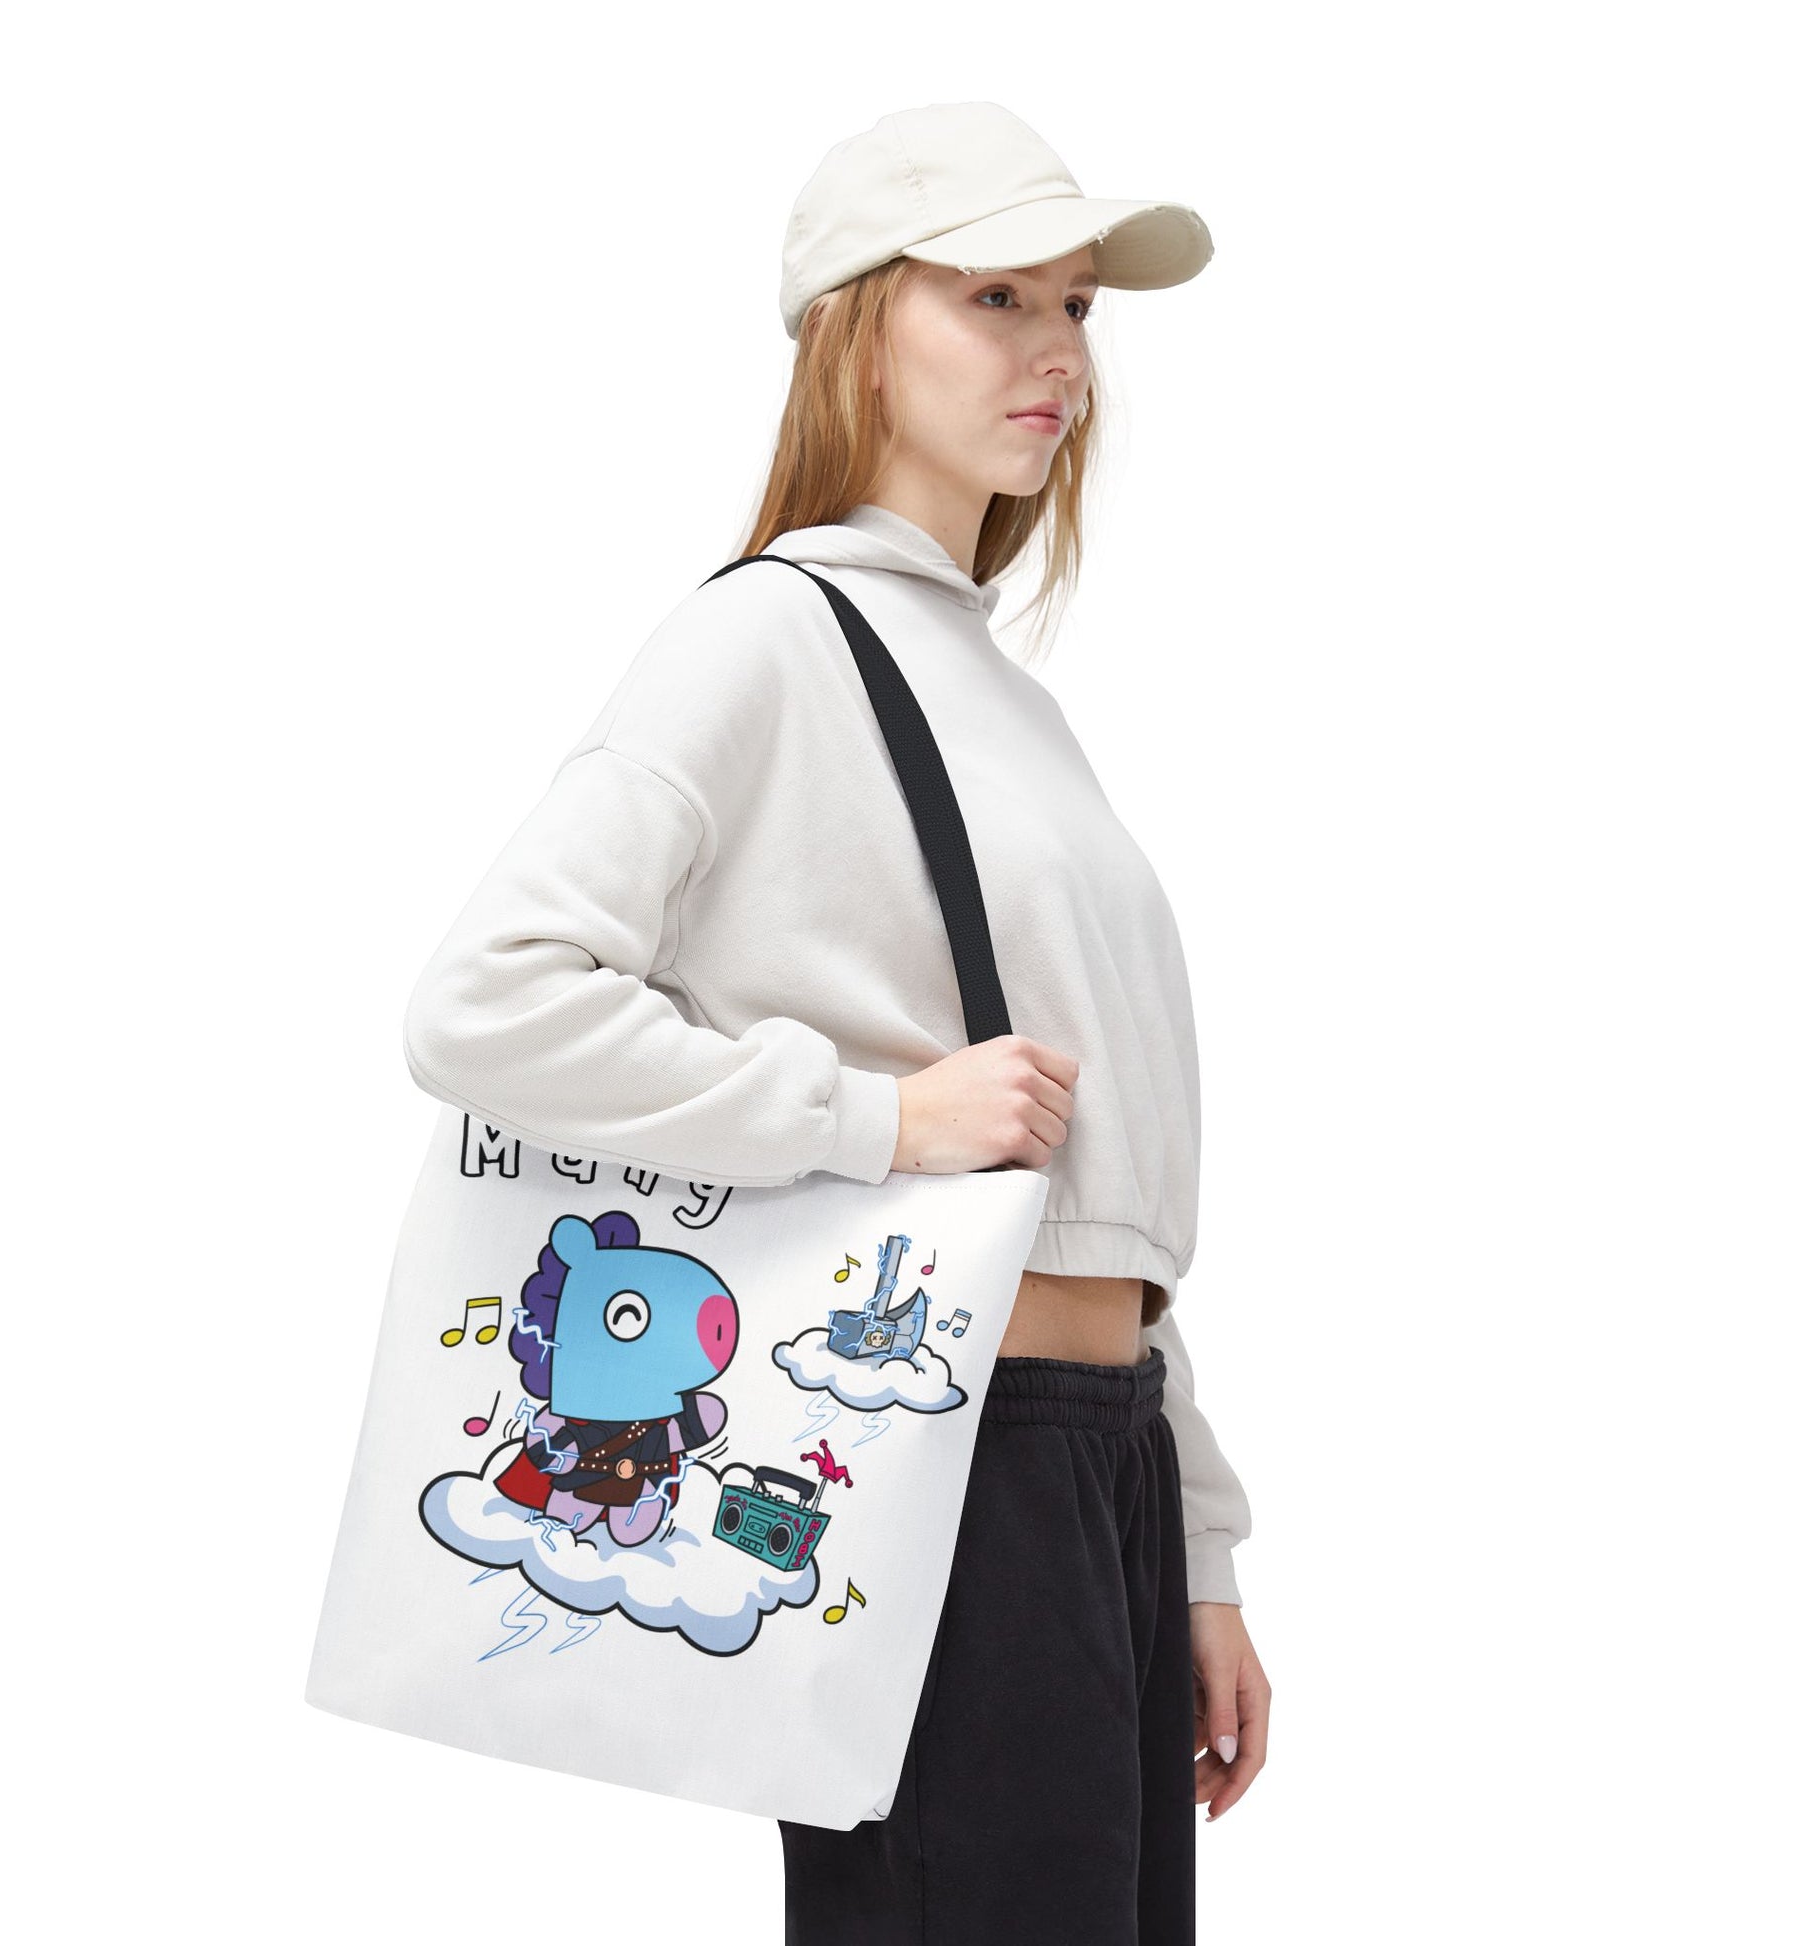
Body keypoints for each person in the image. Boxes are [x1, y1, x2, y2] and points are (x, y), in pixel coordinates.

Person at [401, 99, 1270, 1944]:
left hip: (1090, 1456)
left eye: (1077, 305)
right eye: (995, 296)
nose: (1057, 349)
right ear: (858, 331)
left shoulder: (1006, 699)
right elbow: (486, 1003)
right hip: (946, 1462)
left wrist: (1193, 1543)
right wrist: (878, 1119)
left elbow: (1094, 1184)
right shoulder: (764, 639)